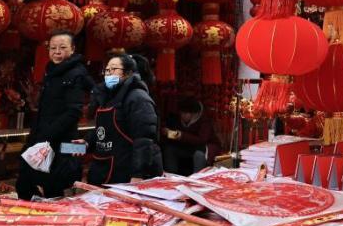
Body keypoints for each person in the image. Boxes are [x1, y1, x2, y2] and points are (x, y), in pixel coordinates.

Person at [16, 31, 91, 200]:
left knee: (54, 186)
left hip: (61, 140)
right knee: (26, 181)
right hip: (42, 137)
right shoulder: (52, 71)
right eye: (53, 48)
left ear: (72, 49)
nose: (57, 51)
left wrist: (46, 135)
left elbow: (74, 111)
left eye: (63, 47)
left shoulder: (76, 73)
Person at [86, 53, 162, 184]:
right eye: (107, 70)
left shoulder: (138, 98)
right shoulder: (106, 97)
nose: (108, 74)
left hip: (128, 173)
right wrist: (84, 143)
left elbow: (144, 139)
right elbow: (103, 131)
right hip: (105, 168)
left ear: (128, 73)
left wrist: (138, 174)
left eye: (114, 69)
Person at [162, 96, 219, 176]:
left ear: (193, 114)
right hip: (186, 147)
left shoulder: (204, 121)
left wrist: (180, 135)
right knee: (169, 149)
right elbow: (176, 134)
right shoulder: (177, 119)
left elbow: (201, 140)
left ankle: (197, 177)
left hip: (203, 149)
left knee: (199, 155)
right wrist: (168, 133)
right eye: (181, 113)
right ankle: (171, 175)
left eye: (185, 113)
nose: (182, 115)